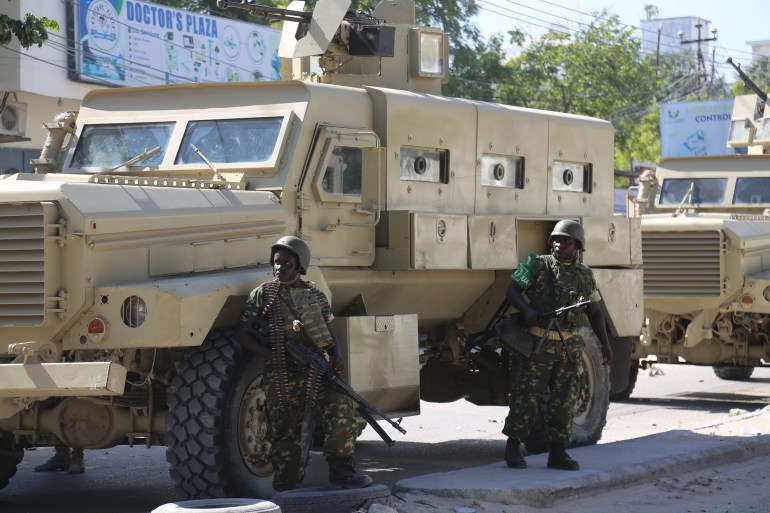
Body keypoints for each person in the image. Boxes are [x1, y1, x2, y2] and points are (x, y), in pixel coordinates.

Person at [234, 235, 372, 492]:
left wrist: (337, 356)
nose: (279, 268)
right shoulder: (263, 294)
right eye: (276, 262)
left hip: (317, 370)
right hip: (282, 375)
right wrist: (272, 355)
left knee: (341, 408)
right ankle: (288, 489)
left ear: (299, 266)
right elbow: (243, 334)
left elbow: (330, 332)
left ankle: (342, 471)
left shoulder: (314, 295)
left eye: (286, 263)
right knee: (286, 433)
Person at [502, 220, 613, 471]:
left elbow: (595, 312)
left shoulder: (585, 276)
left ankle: (558, 452)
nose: (561, 245)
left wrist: (606, 344)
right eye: (558, 240)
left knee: (564, 401)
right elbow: (512, 291)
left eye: (568, 241)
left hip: (569, 346)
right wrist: (528, 310)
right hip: (538, 344)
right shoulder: (537, 265)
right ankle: (512, 446)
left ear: (578, 246)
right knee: (526, 397)